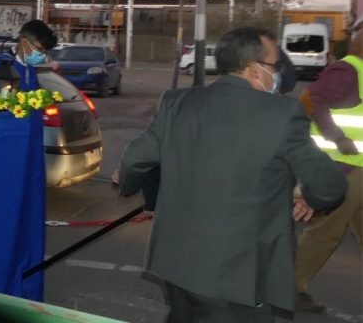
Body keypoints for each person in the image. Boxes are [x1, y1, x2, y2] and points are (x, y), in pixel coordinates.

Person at [118, 26, 347, 322]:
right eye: (275, 65)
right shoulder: (282, 114)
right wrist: (312, 199)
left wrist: (129, 186)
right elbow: (330, 184)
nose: (278, 72)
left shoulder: (176, 102)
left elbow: (134, 159)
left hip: (175, 263)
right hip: (237, 275)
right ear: (254, 70)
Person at [294, 25, 363, 313]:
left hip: (357, 167)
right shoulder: (348, 71)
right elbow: (311, 101)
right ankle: (288, 287)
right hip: (343, 168)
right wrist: (339, 137)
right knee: (326, 233)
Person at [0, 20, 57, 91]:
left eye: (45, 51)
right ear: (24, 42)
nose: (43, 55)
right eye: (40, 49)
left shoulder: (30, 68)